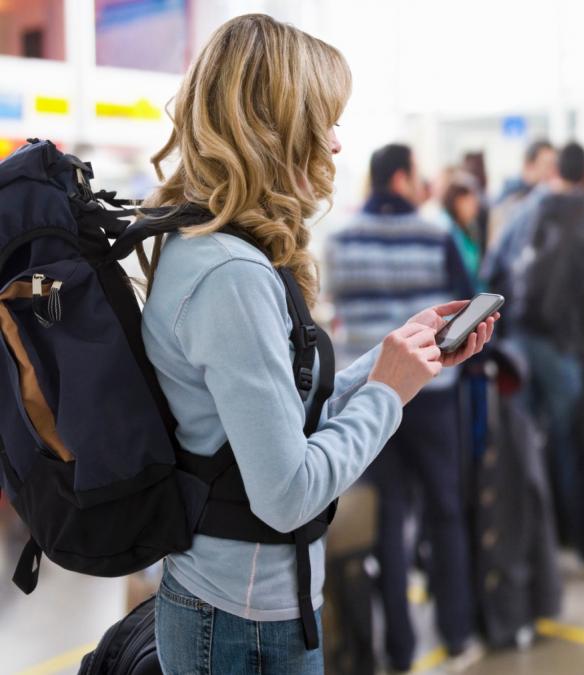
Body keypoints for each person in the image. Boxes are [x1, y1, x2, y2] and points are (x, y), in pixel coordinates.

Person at [139, 15, 494, 674]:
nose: (334, 144)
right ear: (275, 129)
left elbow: (277, 425)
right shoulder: (231, 275)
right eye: (322, 121)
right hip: (239, 622)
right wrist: (389, 392)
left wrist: (387, 361)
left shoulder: (217, 249)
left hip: (249, 607)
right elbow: (288, 493)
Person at [325, 144, 482, 672]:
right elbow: (464, 305)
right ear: (399, 178)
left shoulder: (340, 239)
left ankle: (399, 650)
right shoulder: (435, 234)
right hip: (433, 397)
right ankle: (457, 635)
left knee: (386, 522)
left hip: (373, 395)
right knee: (445, 510)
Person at [514, 142, 584, 557]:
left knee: (525, 441)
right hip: (562, 347)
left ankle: (530, 539)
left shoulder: (529, 213)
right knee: (568, 440)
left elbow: (498, 270)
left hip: (521, 339)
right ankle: (575, 537)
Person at [488, 139, 558, 249]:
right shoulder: (510, 201)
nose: (552, 172)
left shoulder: (551, 201)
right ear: (528, 166)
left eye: (555, 166)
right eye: (547, 165)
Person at [442, 172, 485, 284]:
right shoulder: (448, 231)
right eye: (470, 202)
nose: (475, 207)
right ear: (457, 202)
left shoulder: (468, 229)